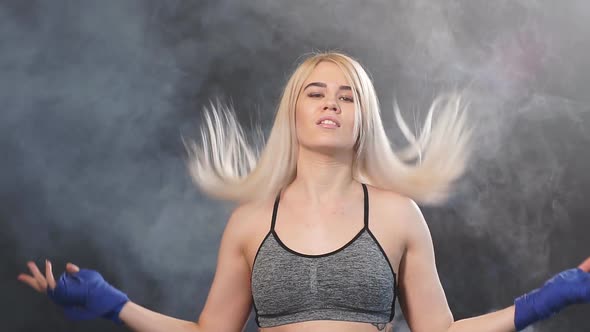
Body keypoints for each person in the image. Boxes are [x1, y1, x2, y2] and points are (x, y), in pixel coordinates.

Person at [18, 52, 590, 332]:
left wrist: (551, 296)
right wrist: (115, 305)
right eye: (316, 94)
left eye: (346, 97)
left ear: (362, 119)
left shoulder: (397, 216)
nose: (331, 105)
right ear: (292, 114)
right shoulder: (249, 222)